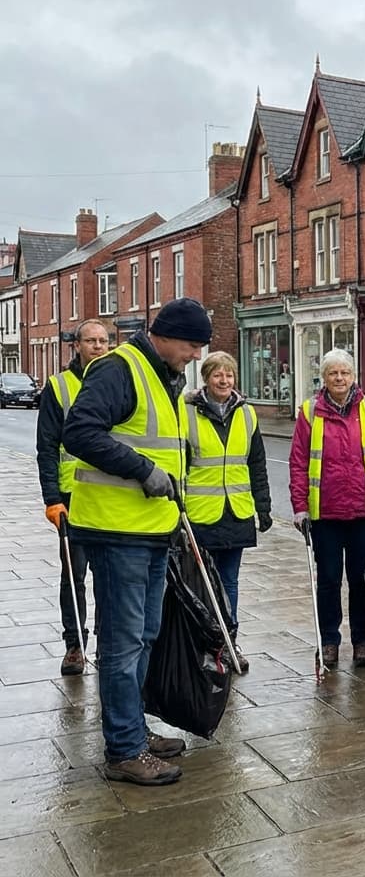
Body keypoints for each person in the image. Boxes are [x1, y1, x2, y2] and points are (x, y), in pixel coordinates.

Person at [62, 297, 211, 786]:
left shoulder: (164, 376)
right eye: (191, 345)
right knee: (124, 644)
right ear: (164, 335)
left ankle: (133, 729)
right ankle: (124, 750)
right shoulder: (119, 369)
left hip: (149, 530)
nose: (194, 356)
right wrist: (142, 469)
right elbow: (80, 432)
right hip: (116, 530)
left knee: (144, 635)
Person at [289, 349, 365, 670]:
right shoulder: (310, 412)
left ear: (353, 376)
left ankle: (361, 642)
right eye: (333, 374)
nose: (340, 378)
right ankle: (329, 642)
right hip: (325, 513)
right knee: (328, 580)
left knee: (361, 580)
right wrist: (299, 507)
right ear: (323, 378)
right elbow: (298, 464)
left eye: (345, 373)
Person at [181, 351, 272, 674]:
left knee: (229, 581)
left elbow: (256, 464)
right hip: (200, 514)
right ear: (206, 377)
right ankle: (205, 643)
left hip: (236, 512)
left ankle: (228, 642)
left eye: (229, 375)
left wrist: (263, 507)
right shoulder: (187, 412)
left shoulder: (247, 414)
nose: (224, 381)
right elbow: (179, 464)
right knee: (202, 583)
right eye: (218, 375)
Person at [35, 319, 110, 676]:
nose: (97, 346)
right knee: (74, 574)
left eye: (103, 340)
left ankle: (108, 642)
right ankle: (74, 645)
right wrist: (52, 497)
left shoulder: (116, 382)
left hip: (112, 498)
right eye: (91, 340)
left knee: (110, 576)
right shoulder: (59, 388)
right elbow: (47, 447)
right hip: (72, 497)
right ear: (76, 346)